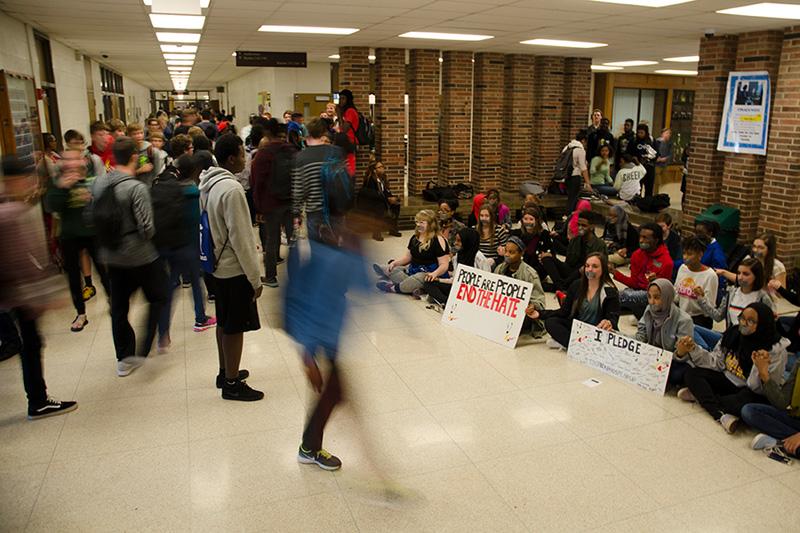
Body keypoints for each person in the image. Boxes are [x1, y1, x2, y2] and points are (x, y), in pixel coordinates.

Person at [0, 155, 78, 419]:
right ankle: (38, 400)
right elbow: (19, 262)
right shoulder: (10, 214)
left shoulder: (10, 207)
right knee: (30, 344)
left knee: (30, 343)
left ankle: (38, 398)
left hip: (13, 296)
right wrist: (41, 295)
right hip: (16, 297)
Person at [91, 136, 168, 377]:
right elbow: (147, 227)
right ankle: (143, 350)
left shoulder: (100, 183)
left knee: (119, 308)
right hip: (141, 255)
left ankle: (123, 357)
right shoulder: (136, 187)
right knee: (158, 297)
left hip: (111, 255)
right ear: (135, 157)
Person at [198, 134, 263, 400]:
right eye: (241, 153)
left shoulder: (208, 184)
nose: (246, 158)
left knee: (223, 321)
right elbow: (242, 238)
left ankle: (225, 370)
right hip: (233, 268)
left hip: (215, 266)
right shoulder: (233, 190)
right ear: (231, 158)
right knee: (235, 325)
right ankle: (232, 384)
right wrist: (255, 278)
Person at [675, 302, 788, 434]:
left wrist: (760, 368)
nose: (744, 323)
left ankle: (706, 400)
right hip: (728, 380)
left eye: (751, 321)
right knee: (691, 374)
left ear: (762, 325)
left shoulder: (775, 349)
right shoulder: (734, 334)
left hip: (751, 390)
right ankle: (720, 412)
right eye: (742, 318)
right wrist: (693, 349)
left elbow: (761, 389)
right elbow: (716, 363)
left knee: (741, 405)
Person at [44, 146, 110, 332]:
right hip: (70, 235)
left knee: (104, 271)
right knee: (73, 277)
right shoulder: (58, 182)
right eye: (68, 160)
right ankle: (81, 313)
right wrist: (63, 188)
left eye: (76, 159)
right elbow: (50, 206)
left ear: (83, 160)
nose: (72, 163)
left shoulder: (91, 177)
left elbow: (105, 203)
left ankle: (113, 300)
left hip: (93, 234)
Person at [155, 154, 216, 353]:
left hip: (168, 244)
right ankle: (200, 318)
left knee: (171, 287)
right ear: (195, 171)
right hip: (189, 246)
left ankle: (163, 332)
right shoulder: (194, 192)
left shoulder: (169, 190)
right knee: (197, 284)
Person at [251, 118, 298, 288]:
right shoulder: (292, 151)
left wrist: (258, 207)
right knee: (294, 240)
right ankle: (296, 277)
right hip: (291, 201)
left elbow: (257, 183)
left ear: (267, 133)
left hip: (271, 204)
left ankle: (271, 277)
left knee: (272, 240)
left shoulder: (263, 154)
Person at [540, 252, 619, 350]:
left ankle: (568, 343)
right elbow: (563, 312)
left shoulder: (610, 291)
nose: (590, 269)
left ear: (603, 269)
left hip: (597, 331)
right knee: (551, 322)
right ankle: (576, 344)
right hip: (578, 328)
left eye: (595, 266)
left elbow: (613, 319)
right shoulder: (577, 285)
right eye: (587, 266)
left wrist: (609, 322)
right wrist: (540, 314)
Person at [692, 258, 775, 351]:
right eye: (739, 273)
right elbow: (718, 316)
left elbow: (769, 328)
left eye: (746, 274)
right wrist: (701, 299)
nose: (740, 277)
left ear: (756, 276)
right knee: (691, 327)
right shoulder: (731, 292)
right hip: (729, 338)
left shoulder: (763, 298)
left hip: (750, 345)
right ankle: (711, 353)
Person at [374, 209, 449, 295]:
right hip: (413, 270)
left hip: (430, 274)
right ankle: (412, 287)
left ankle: (394, 288)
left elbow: (444, 265)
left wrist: (434, 274)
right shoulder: (415, 237)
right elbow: (407, 258)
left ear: (431, 224)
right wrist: (395, 263)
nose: (418, 225)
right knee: (394, 269)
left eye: (422, 222)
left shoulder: (439, 240)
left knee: (420, 277)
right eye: (417, 222)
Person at [636, 279, 694, 385]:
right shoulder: (649, 310)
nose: (652, 302)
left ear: (667, 297)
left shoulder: (684, 320)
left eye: (657, 297)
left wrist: (680, 352)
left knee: (678, 374)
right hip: (653, 355)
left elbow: (684, 356)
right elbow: (640, 337)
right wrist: (615, 334)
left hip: (673, 361)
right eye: (649, 297)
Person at [612, 222, 674, 319]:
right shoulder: (637, 255)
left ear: (656, 240)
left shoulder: (666, 261)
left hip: (652, 297)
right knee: (611, 295)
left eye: (645, 238)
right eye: (640, 237)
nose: (641, 240)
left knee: (620, 297)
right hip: (635, 291)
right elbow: (634, 283)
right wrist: (614, 272)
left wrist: (656, 281)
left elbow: (663, 294)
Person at [742, 356, 800, 459]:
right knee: (750, 411)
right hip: (795, 418)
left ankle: (781, 443)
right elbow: (782, 402)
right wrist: (764, 374)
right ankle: (789, 442)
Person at [423, 227, 492, 307]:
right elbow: (455, 280)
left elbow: (488, 281)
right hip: (458, 289)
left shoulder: (479, 258)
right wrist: (439, 280)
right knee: (428, 284)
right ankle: (447, 302)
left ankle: (449, 302)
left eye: (459, 241)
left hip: (474, 293)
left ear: (468, 241)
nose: (455, 243)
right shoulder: (457, 257)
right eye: (456, 240)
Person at [541, 210, 607, 292]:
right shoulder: (574, 240)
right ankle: (561, 286)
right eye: (578, 224)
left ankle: (559, 287)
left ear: (592, 226)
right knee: (546, 258)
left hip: (586, 275)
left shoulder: (600, 245)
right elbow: (567, 263)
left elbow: (601, 269)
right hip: (571, 272)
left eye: (584, 225)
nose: (580, 227)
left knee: (583, 269)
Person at [495, 236, 546, 338]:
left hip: (520, 311)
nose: (507, 255)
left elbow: (540, 302)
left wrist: (533, 306)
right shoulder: (500, 269)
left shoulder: (530, 274)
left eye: (511, 252)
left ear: (521, 253)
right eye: (506, 251)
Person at [675, 236, 719, 329]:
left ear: (700, 255)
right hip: (681, 315)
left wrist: (701, 297)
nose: (685, 257)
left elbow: (710, 311)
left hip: (700, 320)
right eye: (684, 253)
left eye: (689, 254)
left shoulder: (710, 275)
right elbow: (676, 296)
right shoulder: (683, 268)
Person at [716, 233, 786, 289]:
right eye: (754, 246)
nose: (755, 250)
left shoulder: (777, 266)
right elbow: (740, 279)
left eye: (760, 248)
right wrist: (723, 272)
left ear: (769, 250)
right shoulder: (748, 259)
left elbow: (781, 295)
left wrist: (772, 286)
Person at [358, 158, 401, 241]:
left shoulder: (383, 178)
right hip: (370, 202)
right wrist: (387, 199)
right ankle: (376, 232)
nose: (382, 168)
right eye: (379, 167)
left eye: (382, 167)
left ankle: (392, 229)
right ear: (374, 170)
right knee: (380, 207)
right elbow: (373, 195)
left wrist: (392, 197)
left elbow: (385, 191)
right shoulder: (370, 180)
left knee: (396, 204)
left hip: (380, 199)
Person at [512, 206, 552, 281]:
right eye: (525, 219)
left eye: (531, 219)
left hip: (537, 266)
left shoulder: (544, 234)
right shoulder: (517, 233)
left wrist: (546, 255)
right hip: (521, 265)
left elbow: (550, 251)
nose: (528, 222)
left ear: (536, 221)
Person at [563, 130, 591, 214]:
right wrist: (588, 183)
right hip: (575, 177)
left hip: (566, 177)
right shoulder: (580, 150)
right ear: (583, 140)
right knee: (573, 200)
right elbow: (583, 168)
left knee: (570, 198)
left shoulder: (567, 147)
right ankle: (568, 217)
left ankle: (567, 216)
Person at [626, 123, 656, 198]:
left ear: (646, 133)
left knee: (649, 189)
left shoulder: (651, 140)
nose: (640, 134)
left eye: (642, 133)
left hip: (649, 168)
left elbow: (657, 154)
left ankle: (647, 204)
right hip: (637, 167)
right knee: (637, 188)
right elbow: (628, 153)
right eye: (638, 132)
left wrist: (650, 157)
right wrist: (633, 159)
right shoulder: (633, 140)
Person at [338, 89, 360, 175]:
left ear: (348, 100)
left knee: (348, 170)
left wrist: (339, 115)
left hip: (349, 142)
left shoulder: (350, 111)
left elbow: (344, 129)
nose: (341, 101)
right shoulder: (346, 112)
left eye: (343, 98)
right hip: (345, 142)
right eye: (340, 98)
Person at [654, 128, 673, 192]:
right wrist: (657, 158)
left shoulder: (670, 143)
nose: (669, 135)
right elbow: (653, 152)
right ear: (662, 134)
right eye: (667, 133)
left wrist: (665, 158)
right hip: (657, 165)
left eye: (670, 133)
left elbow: (671, 154)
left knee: (664, 184)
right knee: (656, 183)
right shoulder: (657, 142)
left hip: (664, 165)